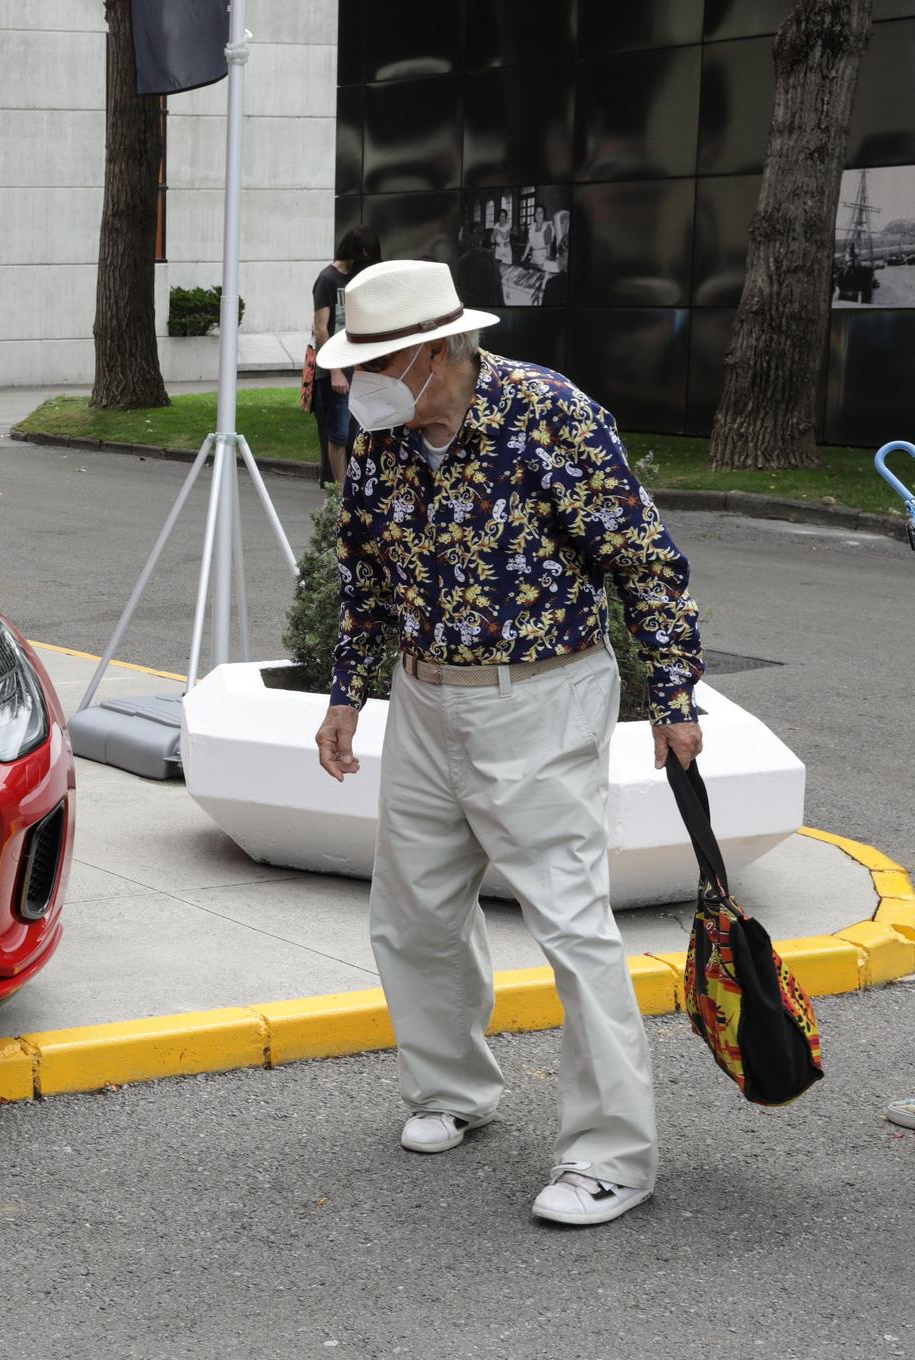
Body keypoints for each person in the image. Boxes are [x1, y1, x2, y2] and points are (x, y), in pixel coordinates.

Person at [313, 259, 704, 1229]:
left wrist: (671, 692)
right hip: (423, 694)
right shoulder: (380, 440)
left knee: (570, 925)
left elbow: (644, 561)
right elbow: (363, 575)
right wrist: (345, 698)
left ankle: (610, 1157)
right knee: (410, 911)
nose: (345, 379)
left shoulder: (547, 414)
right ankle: (451, 1090)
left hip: (539, 696)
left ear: (430, 352)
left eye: (366, 360)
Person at [311, 226, 380, 490]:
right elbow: (320, 327)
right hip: (337, 366)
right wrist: (335, 371)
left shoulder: (362, 277)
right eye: (362, 256)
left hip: (361, 365)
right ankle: (340, 492)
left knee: (359, 431)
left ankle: (354, 488)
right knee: (338, 432)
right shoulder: (328, 279)